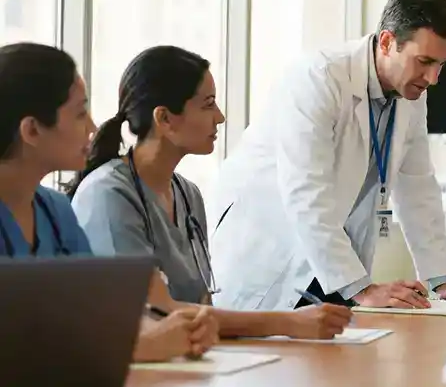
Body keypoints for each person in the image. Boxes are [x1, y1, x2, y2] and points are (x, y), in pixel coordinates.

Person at [209, 0, 446, 312]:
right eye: (424, 61)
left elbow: (418, 187)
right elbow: (305, 192)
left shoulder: (411, 94)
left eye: (441, 65)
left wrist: (441, 280)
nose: (433, 78)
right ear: (386, 42)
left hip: (333, 256)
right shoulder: (318, 78)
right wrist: (363, 289)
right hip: (272, 249)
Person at [68, 47, 352, 340]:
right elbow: (154, 311)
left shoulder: (188, 195)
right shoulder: (108, 195)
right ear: (165, 119)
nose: (220, 117)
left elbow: (202, 308)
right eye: (208, 105)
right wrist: (287, 323)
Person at [0, 43, 216, 362]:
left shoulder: (56, 212)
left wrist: (176, 326)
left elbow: (92, 317)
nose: (91, 128)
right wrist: (138, 345)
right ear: (32, 129)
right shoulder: (106, 191)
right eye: (79, 114)